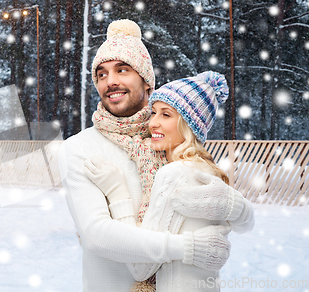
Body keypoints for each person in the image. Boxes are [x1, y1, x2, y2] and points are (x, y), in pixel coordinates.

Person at [58, 19, 253, 292]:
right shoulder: (79, 148)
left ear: (147, 83)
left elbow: (219, 211)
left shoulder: (169, 140)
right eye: (101, 74)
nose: (110, 81)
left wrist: (234, 207)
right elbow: (97, 235)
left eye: (122, 70)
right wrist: (187, 248)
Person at [84, 71, 255, 291]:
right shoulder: (207, 172)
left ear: (189, 126)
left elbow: (140, 266)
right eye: (153, 112)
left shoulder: (174, 174)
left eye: (166, 115)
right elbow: (246, 224)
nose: (152, 123)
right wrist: (238, 207)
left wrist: (118, 192)